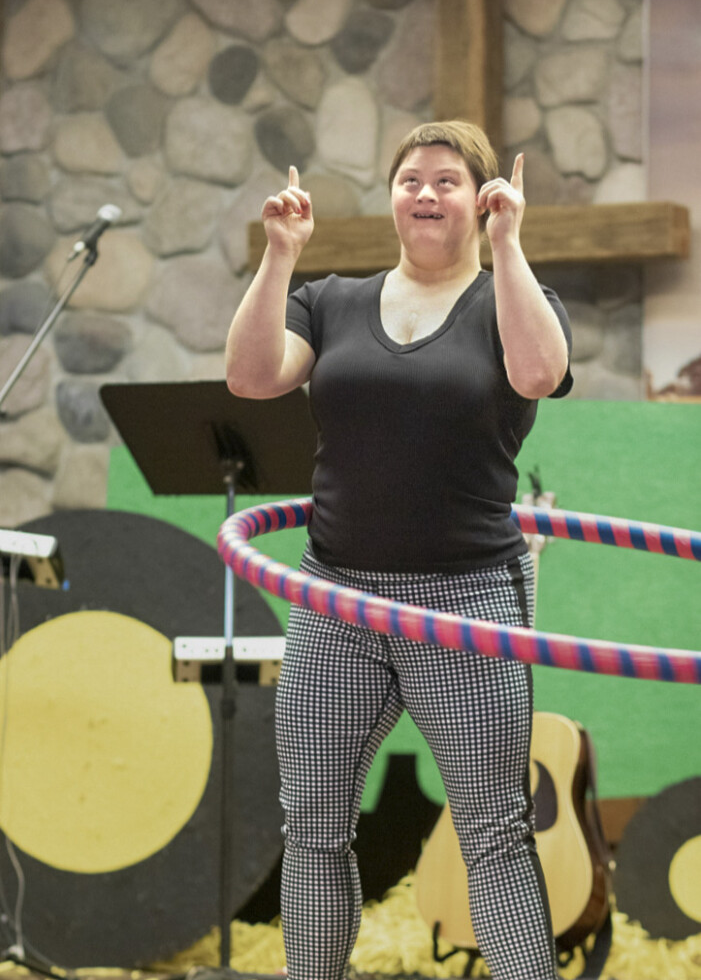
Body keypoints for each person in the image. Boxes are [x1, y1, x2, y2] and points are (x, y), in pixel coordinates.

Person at [226, 120, 572, 980]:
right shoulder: (330, 300)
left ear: (482, 196)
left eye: (447, 181)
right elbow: (251, 377)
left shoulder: (512, 297)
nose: (425, 193)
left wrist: (508, 246)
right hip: (334, 596)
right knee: (310, 827)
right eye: (410, 179)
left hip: (467, 600)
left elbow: (538, 375)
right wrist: (280, 255)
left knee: (492, 829)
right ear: (390, 196)